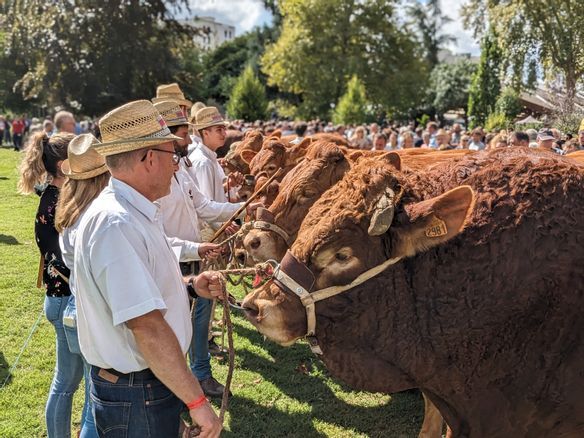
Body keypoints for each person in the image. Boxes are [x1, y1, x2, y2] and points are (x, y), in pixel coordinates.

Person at [73, 100, 223, 437]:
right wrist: (198, 404)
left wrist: (190, 284)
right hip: (136, 390)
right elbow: (146, 326)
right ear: (148, 158)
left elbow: (145, 287)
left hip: (146, 384)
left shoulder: (133, 213)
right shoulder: (116, 224)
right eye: (172, 155)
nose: (176, 165)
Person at [18, 131, 83, 438]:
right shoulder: (54, 202)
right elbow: (63, 258)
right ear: (64, 165)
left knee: (69, 381)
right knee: (66, 383)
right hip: (64, 300)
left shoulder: (59, 197)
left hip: (63, 299)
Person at [55, 134, 109, 438]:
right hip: (92, 315)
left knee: (88, 399)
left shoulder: (71, 211)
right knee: (94, 407)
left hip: (75, 311)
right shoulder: (95, 216)